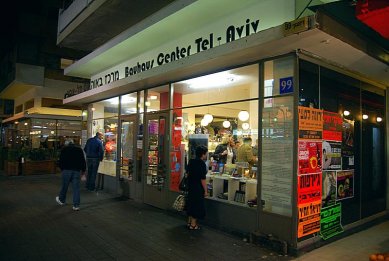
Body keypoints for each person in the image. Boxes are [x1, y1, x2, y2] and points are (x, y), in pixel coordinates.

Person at [56, 139, 86, 211]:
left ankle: (62, 200)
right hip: (76, 171)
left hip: (66, 171)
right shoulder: (79, 150)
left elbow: (60, 161)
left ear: (67, 144)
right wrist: (83, 171)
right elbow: (83, 161)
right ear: (73, 143)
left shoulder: (64, 150)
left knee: (65, 187)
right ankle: (76, 206)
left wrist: (61, 168)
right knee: (76, 188)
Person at [186, 145, 208, 230]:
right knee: (197, 205)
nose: (206, 155)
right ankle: (193, 225)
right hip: (198, 187)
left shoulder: (191, 161)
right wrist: (205, 191)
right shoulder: (201, 164)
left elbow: (187, 174)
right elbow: (203, 179)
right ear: (202, 154)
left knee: (191, 204)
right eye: (206, 154)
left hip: (191, 186)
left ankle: (189, 222)